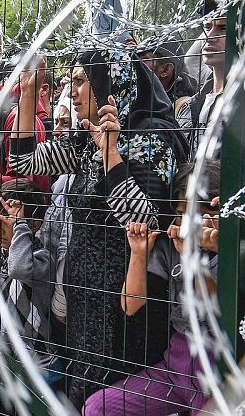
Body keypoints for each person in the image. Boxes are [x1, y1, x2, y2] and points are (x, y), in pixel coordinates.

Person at [8, 49, 188, 407]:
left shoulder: (152, 139)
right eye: (70, 82)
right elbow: (22, 161)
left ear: (112, 85)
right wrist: (28, 94)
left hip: (125, 302)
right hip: (83, 298)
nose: (71, 92)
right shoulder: (83, 140)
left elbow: (143, 222)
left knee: (110, 401)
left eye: (80, 81)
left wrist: (110, 152)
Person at [83, 161, 220, 415]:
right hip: (176, 365)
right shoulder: (171, 246)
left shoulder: (232, 252)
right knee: (98, 408)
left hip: (217, 370)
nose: (188, 223)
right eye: (182, 213)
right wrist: (139, 254)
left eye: (198, 214)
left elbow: (215, 312)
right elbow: (130, 305)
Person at [0, 179, 62, 414]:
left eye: (4, 223)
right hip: (2, 367)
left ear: (33, 224)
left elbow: (20, 268)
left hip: (38, 372)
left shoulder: (42, 258)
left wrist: (19, 226)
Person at [177, 0, 226, 154]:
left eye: (223, 28)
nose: (209, 36)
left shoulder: (238, 104)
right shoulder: (191, 105)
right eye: (207, 27)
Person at [139, 37, 198, 105]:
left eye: (143, 59)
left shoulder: (182, 107)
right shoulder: (137, 91)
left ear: (166, 70)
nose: (135, 63)